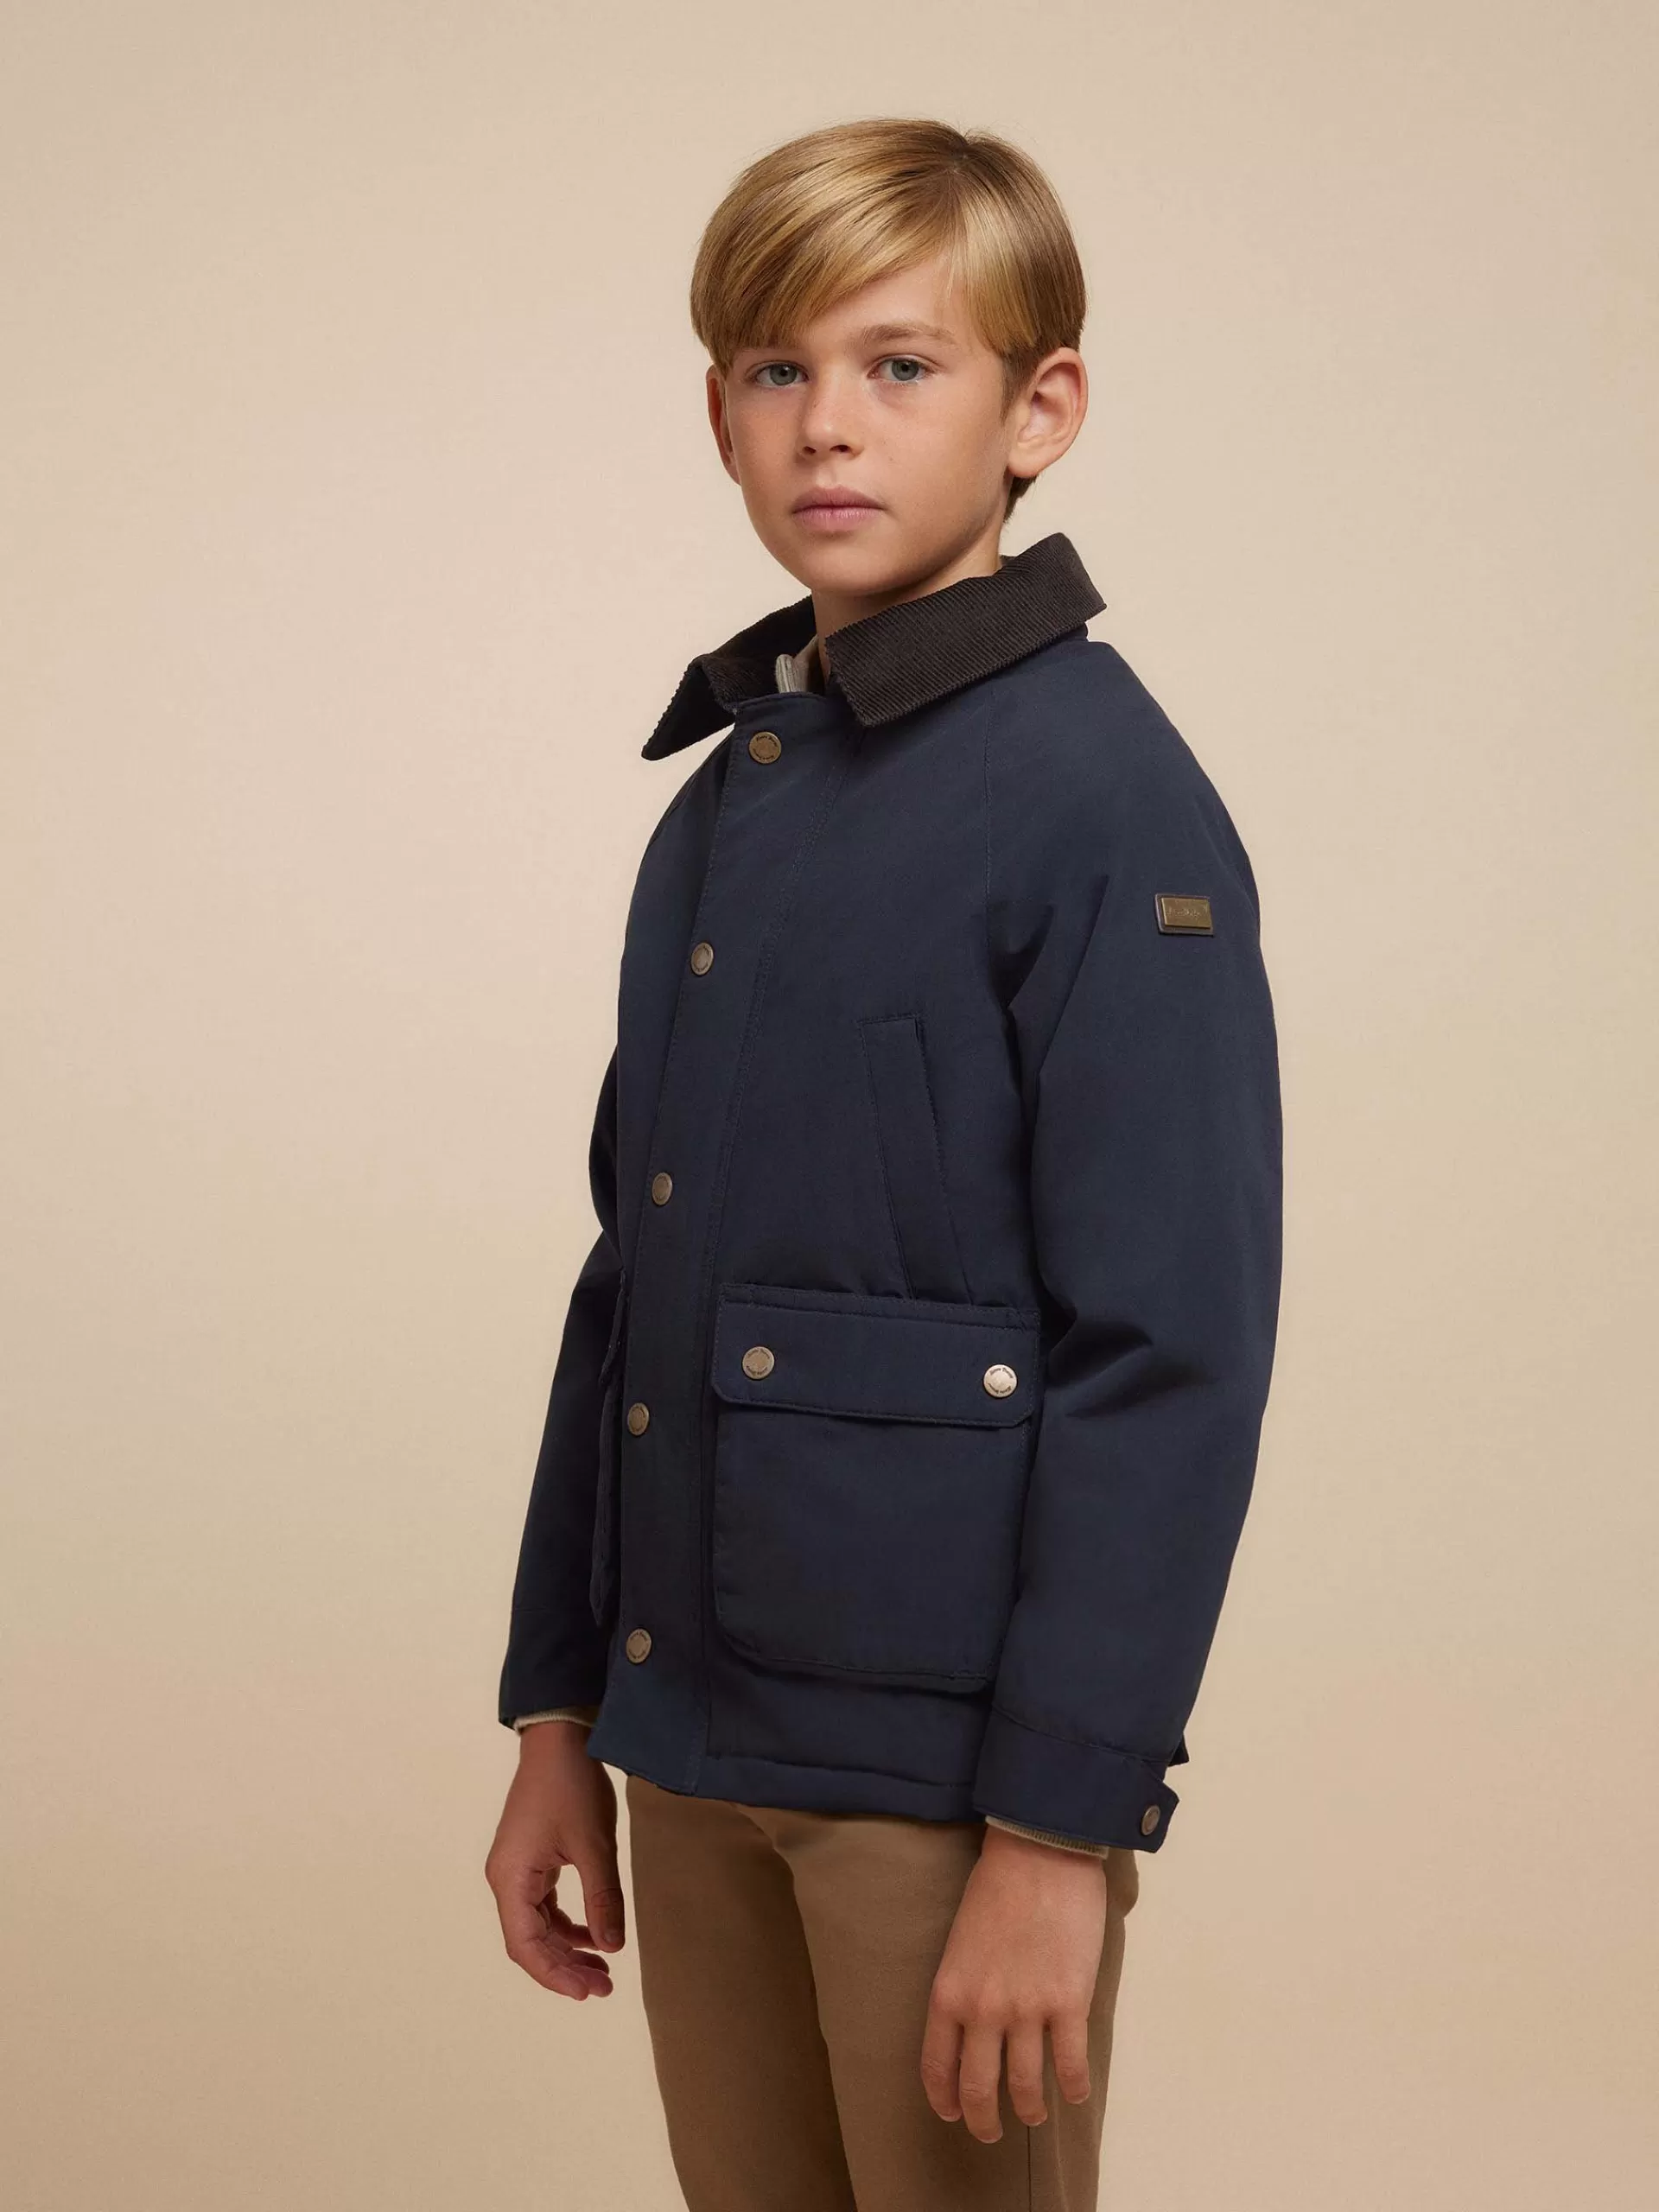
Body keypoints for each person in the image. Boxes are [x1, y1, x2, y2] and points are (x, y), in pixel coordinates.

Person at [484, 116, 1282, 2212]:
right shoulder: (726, 803)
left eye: (900, 365)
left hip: (945, 1795)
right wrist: (561, 1708)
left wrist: (1057, 1831)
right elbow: (632, 1281)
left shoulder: (1107, 800)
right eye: (776, 369)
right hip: (688, 1745)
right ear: (719, 415)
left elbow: (1167, 1354)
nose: (825, 423)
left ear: (1041, 411)